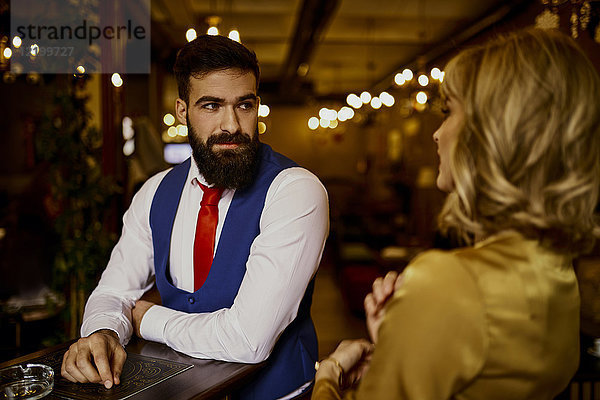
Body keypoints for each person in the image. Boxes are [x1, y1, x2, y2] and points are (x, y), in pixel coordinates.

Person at [312, 28, 600, 399]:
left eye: (447, 112)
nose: (437, 134)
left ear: (493, 132)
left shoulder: (449, 281)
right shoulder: (559, 273)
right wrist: (402, 342)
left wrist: (330, 373)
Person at [60, 34, 329, 400]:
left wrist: (146, 319)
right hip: (183, 392)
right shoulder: (154, 192)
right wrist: (103, 333)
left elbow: (248, 340)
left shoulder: (296, 191)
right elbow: (112, 291)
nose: (231, 125)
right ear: (183, 110)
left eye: (244, 105)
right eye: (211, 106)